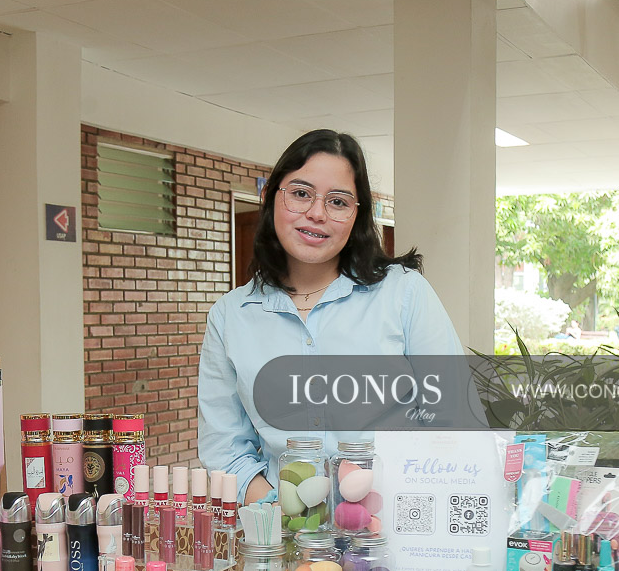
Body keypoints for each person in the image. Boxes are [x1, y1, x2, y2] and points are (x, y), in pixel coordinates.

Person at [197, 129, 463, 506]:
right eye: (301, 193)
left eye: (337, 201)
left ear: (357, 214)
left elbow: (451, 418)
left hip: (395, 522)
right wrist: (287, 515)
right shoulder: (230, 316)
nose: (317, 213)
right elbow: (224, 449)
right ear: (270, 197)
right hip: (283, 530)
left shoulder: (404, 294)